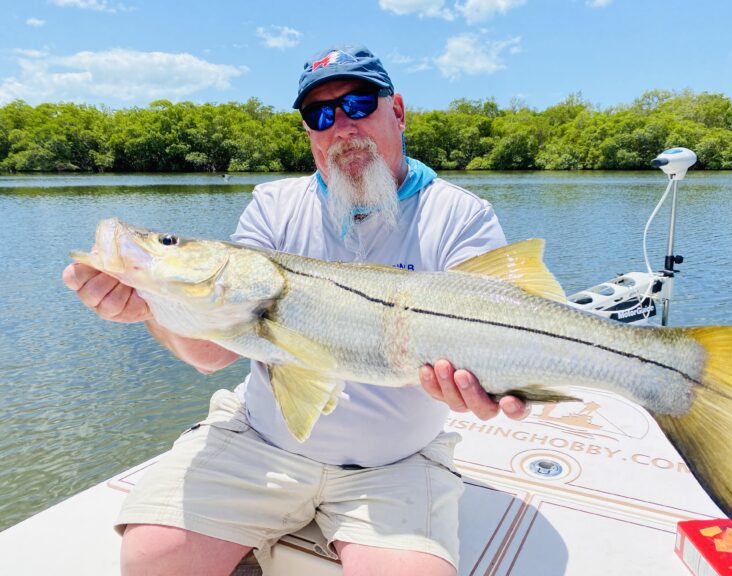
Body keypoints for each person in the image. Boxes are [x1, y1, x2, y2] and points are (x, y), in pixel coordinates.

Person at [62, 45, 528, 576]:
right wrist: (150, 307)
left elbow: (500, 334)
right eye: (320, 115)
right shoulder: (273, 205)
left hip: (395, 463)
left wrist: (491, 386)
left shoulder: (462, 216)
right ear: (309, 132)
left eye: (358, 105)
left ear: (396, 111)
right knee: (154, 556)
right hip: (262, 443)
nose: (341, 127)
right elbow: (212, 355)